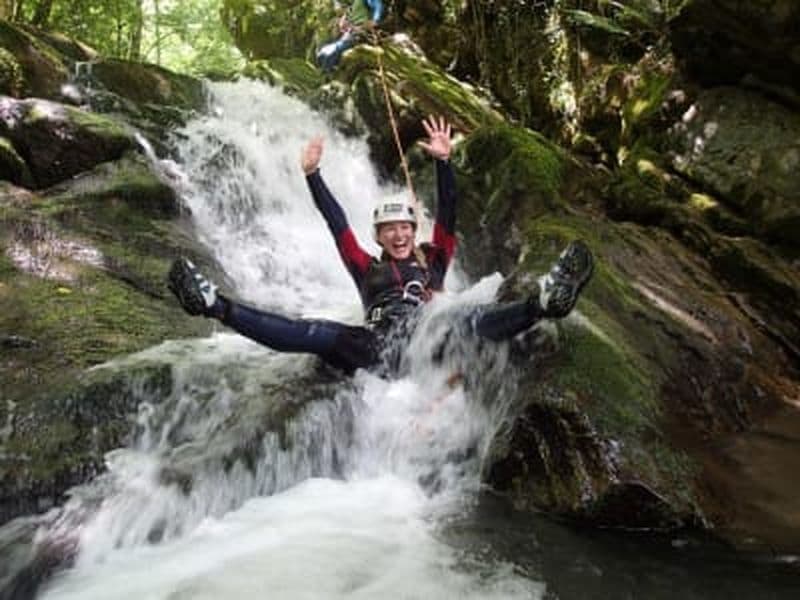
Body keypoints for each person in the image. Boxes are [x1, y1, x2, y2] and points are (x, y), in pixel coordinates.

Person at [168, 116, 594, 377]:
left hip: (428, 337)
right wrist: (313, 176)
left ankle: (544, 303)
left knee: (466, 322)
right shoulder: (364, 266)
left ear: (413, 228)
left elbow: (448, 213)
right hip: (376, 347)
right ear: (378, 237)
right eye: (389, 229)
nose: (398, 234)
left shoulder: (434, 260)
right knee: (316, 333)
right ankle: (213, 304)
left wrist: (443, 163)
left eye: (404, 227)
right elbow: (337, 223)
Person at [316, 0, 384, 72]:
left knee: (330, 52)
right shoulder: (351, 5)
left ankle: (327, 72)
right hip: (349, 33)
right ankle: (327, 71)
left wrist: (375, 20)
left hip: (360, 32)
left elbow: (378, 5)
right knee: (323, 53)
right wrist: (343, 22)